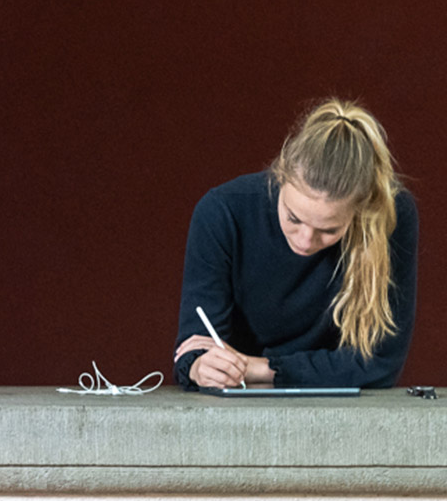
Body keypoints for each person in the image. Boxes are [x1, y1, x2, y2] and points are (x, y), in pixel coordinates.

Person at [173, 99, 418, 389]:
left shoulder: (390, 215)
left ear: (360, 211)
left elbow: (380, 364)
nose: (305, 241)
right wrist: (202, 366)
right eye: (293, 218)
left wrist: (260, 369)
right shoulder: (222, 212)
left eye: (329, 230)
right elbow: (192, 349)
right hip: (236, 411)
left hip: (338, 414)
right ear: (279, 176)